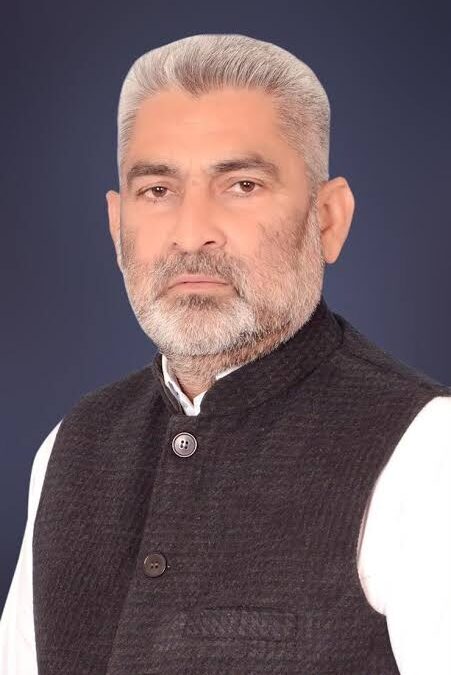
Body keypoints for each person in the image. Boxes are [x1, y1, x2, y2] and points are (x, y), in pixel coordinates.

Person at [0, 33, 450, 675]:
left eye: (241, 184)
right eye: (157, 191)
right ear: (116, 225)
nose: (191, 234)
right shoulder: (70, 448)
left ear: (327, 219)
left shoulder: (427, 454)